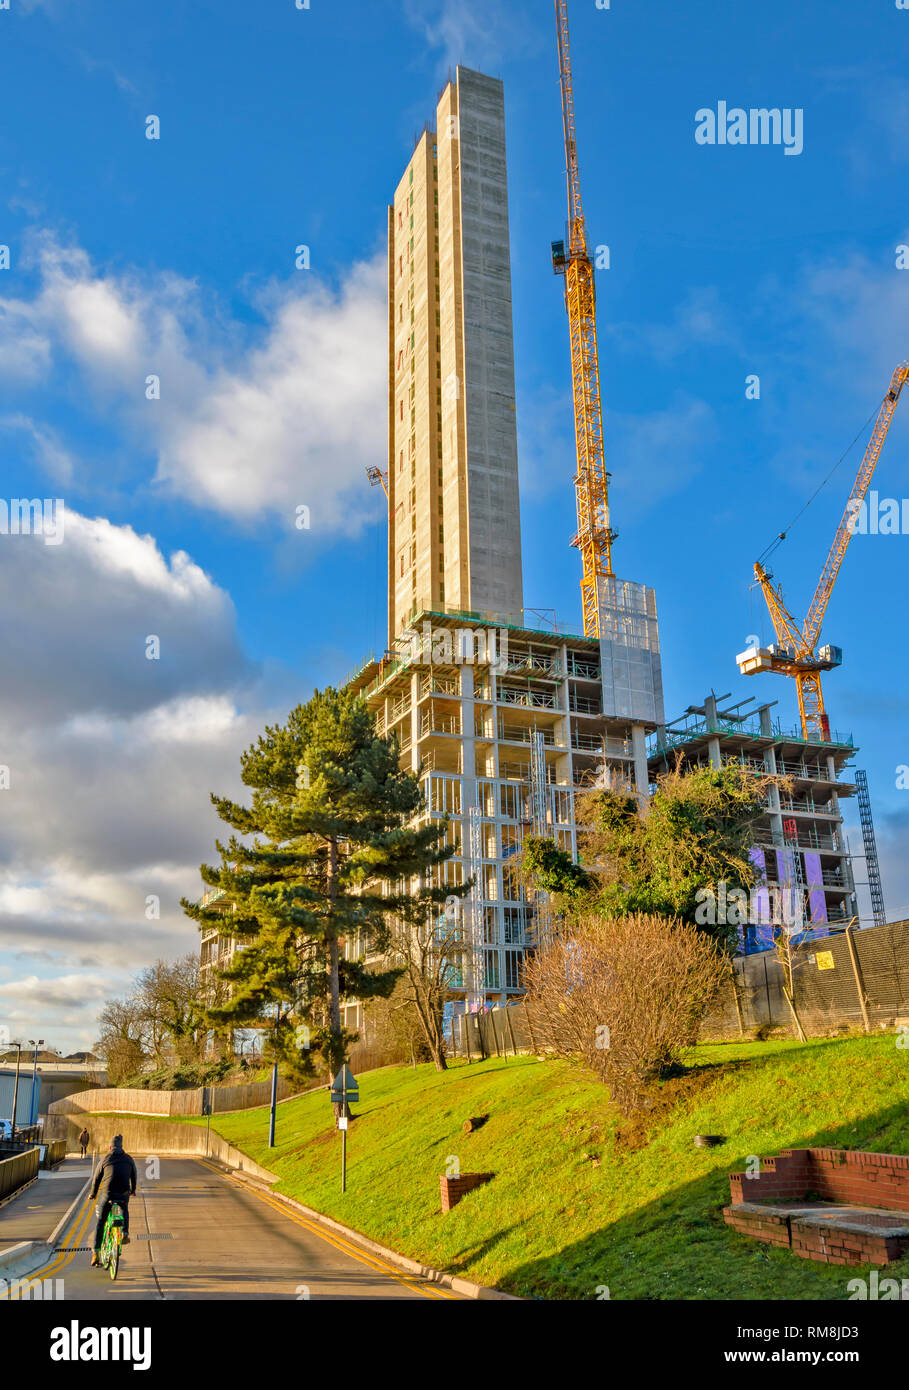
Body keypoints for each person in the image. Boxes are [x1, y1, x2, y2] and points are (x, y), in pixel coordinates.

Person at [89, 1134, 137, 1267]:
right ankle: (125, 1232)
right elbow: (134, 1175)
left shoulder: (105, 1159)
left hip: (108, 1193)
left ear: (110, 1147)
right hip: (123, 1193)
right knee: (124, 1210)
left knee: (100, 1222)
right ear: (121, 1147)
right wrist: (133, 1190)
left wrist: (92, 1194)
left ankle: (96, 1253)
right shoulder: (129, 1159)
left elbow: (97, 1178)